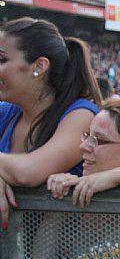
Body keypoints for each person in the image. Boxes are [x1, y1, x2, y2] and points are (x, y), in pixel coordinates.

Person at [0, 17, 102, 228]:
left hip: (62, 254)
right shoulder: (6, 112)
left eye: (2, 60)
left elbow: (27, 172)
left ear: (39, 66)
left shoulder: (81, 114)